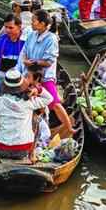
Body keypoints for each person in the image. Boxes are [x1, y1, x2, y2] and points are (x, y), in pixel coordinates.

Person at [0, 67, 53, 158]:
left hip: (1, 150)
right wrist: (38, 89)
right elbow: (49, 98)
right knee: (36, 120)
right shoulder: (29, 102)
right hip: (25, 150)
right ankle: (32, 154)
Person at [19, 9, 73, 137]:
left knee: (54, 102)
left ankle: (69, 128)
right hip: (30, 73)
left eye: (34, 21)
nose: (31, 23)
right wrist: (26, 61)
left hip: (45, 75)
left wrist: (33, 63)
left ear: (42, 24)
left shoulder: (51, 38)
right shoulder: (32, 34)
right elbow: (25, 50)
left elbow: (49, 62)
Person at [0, 14, 27, 90]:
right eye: (6, 27)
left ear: (19, 27)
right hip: (2, 74)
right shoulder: (1, 40)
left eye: (11, 28)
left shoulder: (25, 42)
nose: (7, 30)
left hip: (20, 77)